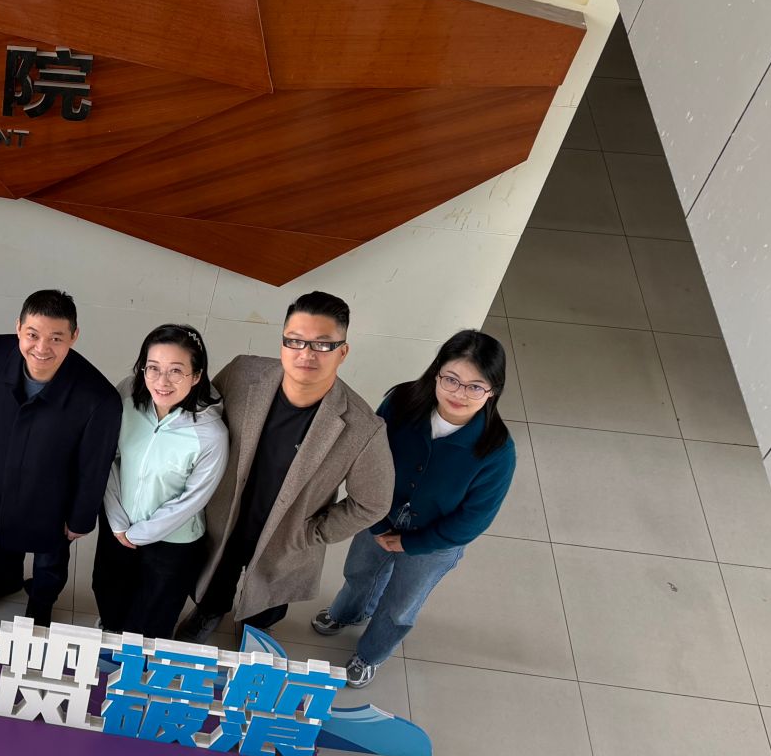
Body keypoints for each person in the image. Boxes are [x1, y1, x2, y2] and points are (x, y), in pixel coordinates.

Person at [177, 291, 394, 640]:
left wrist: (312, 533)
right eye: (295, 340)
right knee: (214, 577)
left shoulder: (362, 428)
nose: (306, 353)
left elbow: (373, 502)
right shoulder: (242, 373)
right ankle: (209, 612)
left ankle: (254, 630)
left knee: (267, 601)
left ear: (342, 351)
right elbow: (201, 421)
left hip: (286, 536)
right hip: (226, 516)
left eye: (322, 344)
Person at [311, 329, 517, 686]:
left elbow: (473, 520)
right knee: (359, 571)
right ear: (436, 373)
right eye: (451, 380)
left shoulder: (496, 451)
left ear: (492, 391)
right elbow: (365, 461)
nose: (459, 394)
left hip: (435, 543)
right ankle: (348, 613)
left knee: (401, 604)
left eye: (475, 387)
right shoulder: (401, 402)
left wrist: (411, 544)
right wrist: (377, 522)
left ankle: (371, 654)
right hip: (379, 515)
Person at [0, 290, 123, 625]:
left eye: (56, 338)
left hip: (53, 498)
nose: (42, 348)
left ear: (74, 336)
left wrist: (80, 518)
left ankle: (42, 601)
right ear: (18, 328)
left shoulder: (99, 397)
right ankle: (4, 580)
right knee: (1, 537)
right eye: (32, 334)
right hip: (0, 478)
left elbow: (95, 467)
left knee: (51, 557)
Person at [95, 324, 229, 639]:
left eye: (176, 371)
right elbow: (107, 458)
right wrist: (118, 521)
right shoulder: (127, 395)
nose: (161, 381)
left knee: (155, 610)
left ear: (196, 376)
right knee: (108, 588)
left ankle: (142, 657)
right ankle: (110, 631)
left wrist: (141, 534)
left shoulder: (211, 435)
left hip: (173, 540)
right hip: (119, 523)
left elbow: (194, 499)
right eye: (153, 368)